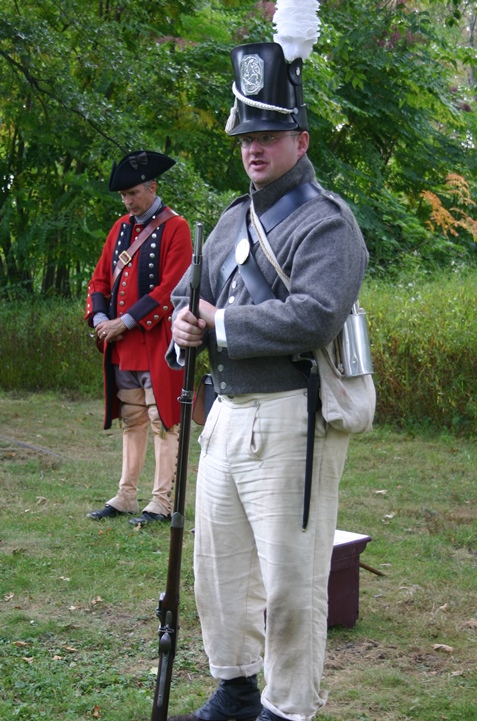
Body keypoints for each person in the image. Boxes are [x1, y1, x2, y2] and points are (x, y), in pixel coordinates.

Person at [168, 41, 370, 721]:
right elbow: (184, 294)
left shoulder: (327, 221)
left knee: (290, 581)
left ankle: (287, 707)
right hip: (225, 412)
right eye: (246, 136)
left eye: (268, 134)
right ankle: (234, 685)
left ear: (300, 139)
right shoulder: (228, 221)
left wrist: (219, 325)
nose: (254, 148)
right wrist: (181, 326)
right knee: (218, 569)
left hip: (290, 413)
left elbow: (313, 315)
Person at [85, 150, 191, 526]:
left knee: (164, 421)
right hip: (123, 346)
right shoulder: (119, 228)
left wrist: (124, 321)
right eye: (123, 196)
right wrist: (100, 318)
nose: (128, 201)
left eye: (133, 193)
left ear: (152, 187)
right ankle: (126, 495)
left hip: (157, 342)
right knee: (132, 420)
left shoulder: (177, 228)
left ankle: (161, 501)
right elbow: (99, 279)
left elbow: (171, 289)